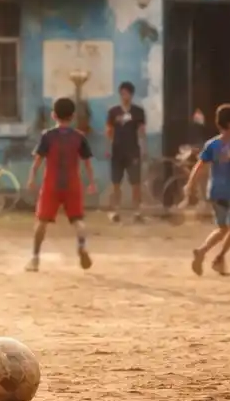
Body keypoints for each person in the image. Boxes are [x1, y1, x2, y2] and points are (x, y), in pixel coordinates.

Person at [27, 96, 96, 271]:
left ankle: (35, 259)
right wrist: (91, 182)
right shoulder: (79, 137)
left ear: (53, 115)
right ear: (72, 116)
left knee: (41, 222)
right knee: (78, 220)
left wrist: (32, 178)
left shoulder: (48, 136)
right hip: (72, 183)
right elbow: (87, 163)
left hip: (52, 183)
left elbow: (38, 160)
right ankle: (82, 246)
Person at [185, 104, 230, 277]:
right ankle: (215, 256)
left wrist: (190, 184)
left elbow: (199, 166)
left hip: (215, 192)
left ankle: (207, 254)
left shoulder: (212, 144)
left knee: (223, 228)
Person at [105, 81, 146, 223]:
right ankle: (115, 211)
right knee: (116, 183)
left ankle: (137, 212)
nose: (125, 96)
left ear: (131, 95)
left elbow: (141, 131)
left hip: (133, 151)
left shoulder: (138, 111)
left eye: (127, 93)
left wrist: (143, 149)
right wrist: (108, 148)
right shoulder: (113, 112)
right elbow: (109, 130)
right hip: (117, 151)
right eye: (122, 94)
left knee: (136, 183)